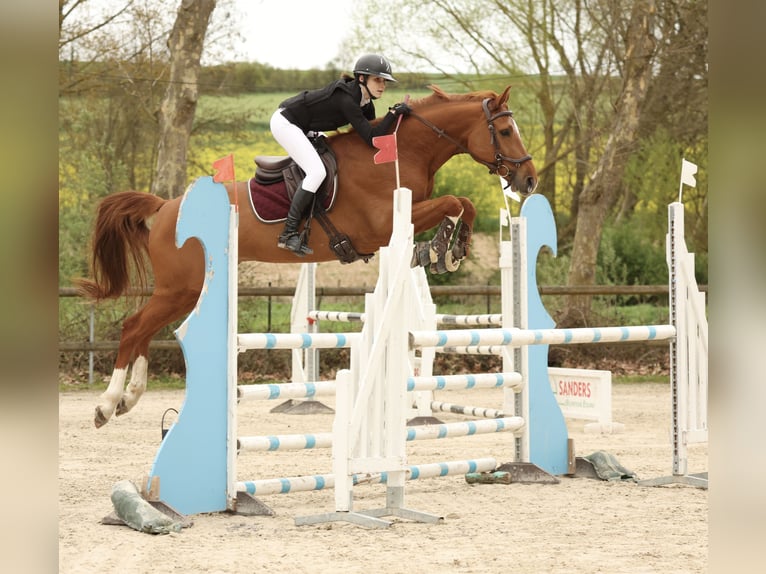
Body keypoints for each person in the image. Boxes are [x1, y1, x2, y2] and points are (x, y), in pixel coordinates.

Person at [270, 53, 411, 255]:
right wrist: (393, 113)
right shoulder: (346, 99)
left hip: (305, 125)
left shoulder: (366, 104)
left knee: (335, 157)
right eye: (377, 80)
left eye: (384, 81)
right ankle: (288, 233)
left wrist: (398, 120)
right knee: (317, 172)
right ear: (361, 78)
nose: (382, 85)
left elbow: (370, 139)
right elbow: (372, 137)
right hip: (287, 122)